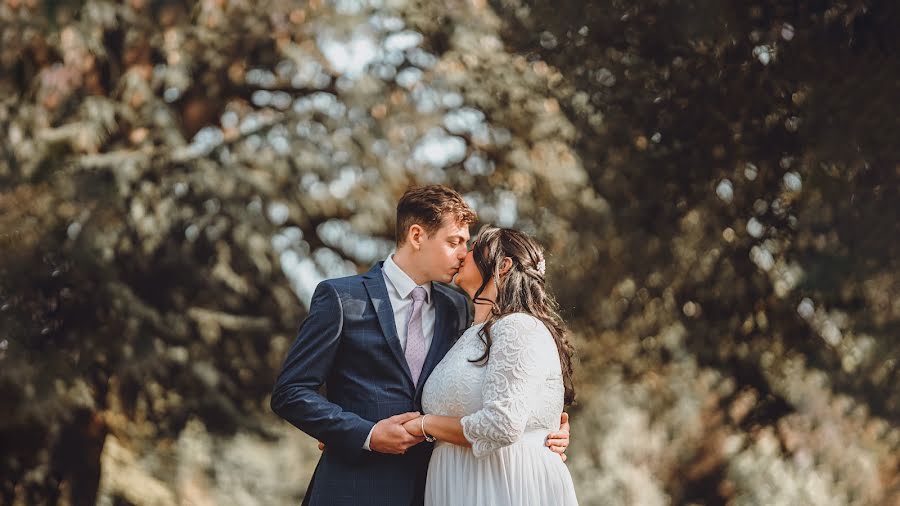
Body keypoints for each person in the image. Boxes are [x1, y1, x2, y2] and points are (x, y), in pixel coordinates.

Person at [270, 185, 570, 506]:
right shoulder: (342, 298)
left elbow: (486, 386)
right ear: (416, 236)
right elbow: (292, 392)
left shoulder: (458, 308)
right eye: (454, 242)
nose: (462, 254)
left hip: (438, 489)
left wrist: (542, 429)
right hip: (355, 488)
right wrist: (361, 434)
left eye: (466, 244)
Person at [403, 225, 579, 505]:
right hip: (457, 483)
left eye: (472, 248)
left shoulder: (518, 327)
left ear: (504, 265)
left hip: (503, 484)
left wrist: (425, 424)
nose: (462, 254)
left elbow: (503, 424)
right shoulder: (466, 334)